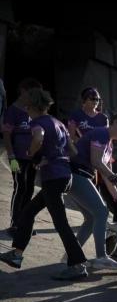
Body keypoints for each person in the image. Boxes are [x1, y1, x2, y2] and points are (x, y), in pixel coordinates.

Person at [0, 89, 88, 280]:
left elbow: (38, 138)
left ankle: (78, 264)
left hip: (53, 178)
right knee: (27, 213)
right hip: (64, 176)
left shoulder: (38, 123)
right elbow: (72, 151)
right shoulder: (58, 123)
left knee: (61, 223)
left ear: (31, 107)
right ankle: (16, 255)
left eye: (27, 106)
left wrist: (33, 154)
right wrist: (55, 156)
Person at [66, 112, 117, 269]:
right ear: (115, 122)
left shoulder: (109, 143)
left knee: (91, 218)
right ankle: (101, 257)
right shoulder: (102, 133)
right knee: (102, 212)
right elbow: (96, 162)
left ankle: (70, 256)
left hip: (80, 175)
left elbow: (106, 174)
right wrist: (115, 176)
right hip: (76, 174)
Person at [2, 78, 43, 235]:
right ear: (24, 91)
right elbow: (6, 135)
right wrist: (11, 157)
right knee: (20, 187)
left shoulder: (34, 110)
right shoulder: (13, 111)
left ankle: (24, 223)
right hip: (16, 158)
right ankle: (14, 223)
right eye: (33, 93)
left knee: (29, 188)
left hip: (32, 159)